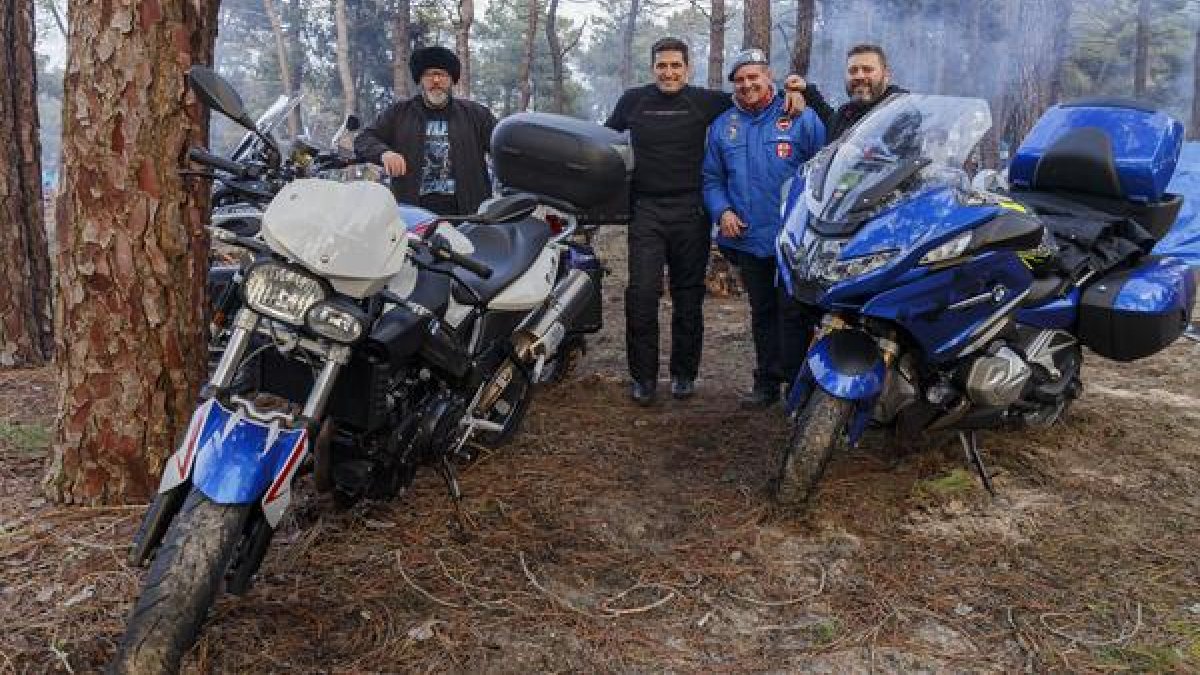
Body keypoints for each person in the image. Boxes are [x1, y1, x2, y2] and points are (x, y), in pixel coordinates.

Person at [605, 37, 806, 406]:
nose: (669, 72)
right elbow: (603, 142)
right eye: (662, 66)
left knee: (688, 296)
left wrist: (795, 90)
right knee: (642, 296)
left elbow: (754, 99)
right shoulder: (632, 101)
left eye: (676, 66)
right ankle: (644, 379)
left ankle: (684, 374)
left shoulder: (707, 102)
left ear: (688, 68)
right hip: (646, 210)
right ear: (652, 68)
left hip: (691, 210)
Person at [702, 49, 826, 408]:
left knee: (796, 314)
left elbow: (823, 170)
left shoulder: (800, 116)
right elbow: (712, 178)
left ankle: (799, 387)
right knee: (762, 314)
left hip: (794, 240)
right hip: (748, 238)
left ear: (768, 77)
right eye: (739, 81)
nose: (747, 85)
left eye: (753, 77)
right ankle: (767, 383)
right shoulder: (724, 126)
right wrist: (721, 210)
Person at [354, 46, 497, 215]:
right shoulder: (399, 113)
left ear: (451, 79)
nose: (436, 80)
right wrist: (385, 153)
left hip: (468, 215)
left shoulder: (476, 115)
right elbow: (364, 139)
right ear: (420, 79)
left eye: (442, 74)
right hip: (411, 215)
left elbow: (503, 145)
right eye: (429, 74)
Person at [794, 43, 908, 143]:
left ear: (886, 74)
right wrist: (805, 89)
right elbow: (828, 118)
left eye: (867, 69)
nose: (859, 76)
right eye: (853, 71)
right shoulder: (845, 115)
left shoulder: (902, 111)